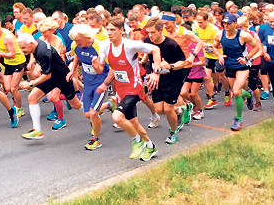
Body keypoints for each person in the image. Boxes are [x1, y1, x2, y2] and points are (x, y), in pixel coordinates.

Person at [92, 16, 162, 161]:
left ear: (121, 31)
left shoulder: (130, 45)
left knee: (117, 117)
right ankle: (150, 145)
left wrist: (156, 72)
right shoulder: (105, 45)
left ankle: (137, 142)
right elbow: (101, 69)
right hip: (121, 88)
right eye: (108, 30)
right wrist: (97, 68)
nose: (109, 33)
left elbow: (155, 49)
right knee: (133, 122)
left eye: (112, 30)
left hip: (135, 87)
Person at [17, 33, 83, 140]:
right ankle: (37, 131)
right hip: (51, 77)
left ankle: (93, 114)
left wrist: (30, 83)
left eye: (23, 47)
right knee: (32, 97)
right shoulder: (36, 43)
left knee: (75, 104)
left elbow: (46, 75)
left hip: (62, 78)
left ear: (32, 43)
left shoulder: (43, 52)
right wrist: (33, 60)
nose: (22, 50)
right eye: (20, 47)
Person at [143, 17, 188, 145]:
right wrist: (143, 63)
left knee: (168, 109)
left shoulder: (171, 45)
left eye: (153, 32)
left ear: (161, 30)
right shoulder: (147, 41)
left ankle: (173, 132)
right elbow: (148, 55)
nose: (150, 35)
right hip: (157, 78)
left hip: (174, 79)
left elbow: (183, 62)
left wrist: (170, 66)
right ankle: (180, 110)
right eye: (148, 32)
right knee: (159, 110)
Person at [213, 14, 261, 131]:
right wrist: (219, 55)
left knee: (235, 90)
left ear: (235, 24)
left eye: (229, 23)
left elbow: (256, 47)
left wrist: (247, 58)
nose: (226, 25)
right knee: (236, 93)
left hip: (242, 66)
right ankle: (249, 94)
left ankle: (238, 119)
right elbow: (214, 47)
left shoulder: (243, 35)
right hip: (229, 66)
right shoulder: (220, 34)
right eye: (224, 23)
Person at [67, 24, 108, 150]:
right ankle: (111, 103)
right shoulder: (76, 46)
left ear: (87, 37)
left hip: (100, 81)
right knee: (87, 114)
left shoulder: (99, 46)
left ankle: (96, 139)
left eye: (78, 40)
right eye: (74, 40)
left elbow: (108, 67)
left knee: (93, 113)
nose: (76, 42)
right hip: (88, 82)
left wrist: (105, 83)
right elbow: (76, 57)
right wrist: (72, 70)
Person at [0, 14, 27, 118]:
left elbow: (12, 54)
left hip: (18, 62)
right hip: (9, 63)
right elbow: (2, 50)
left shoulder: (8, 37)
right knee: (8, 87)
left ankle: (19, 108)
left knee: (14, 89)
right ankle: (27, 84)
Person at [193, 11, 229, 109]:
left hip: (217, 55)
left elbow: (221, 44)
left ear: (206, 20)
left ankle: (227, 92)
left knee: (221, 77)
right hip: (207, 56)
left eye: (201, 22)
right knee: (206, 78)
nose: (199, 24)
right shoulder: (197, 29)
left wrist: (209, 45)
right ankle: (212, 99)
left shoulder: (214, 29)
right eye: (198, 22)